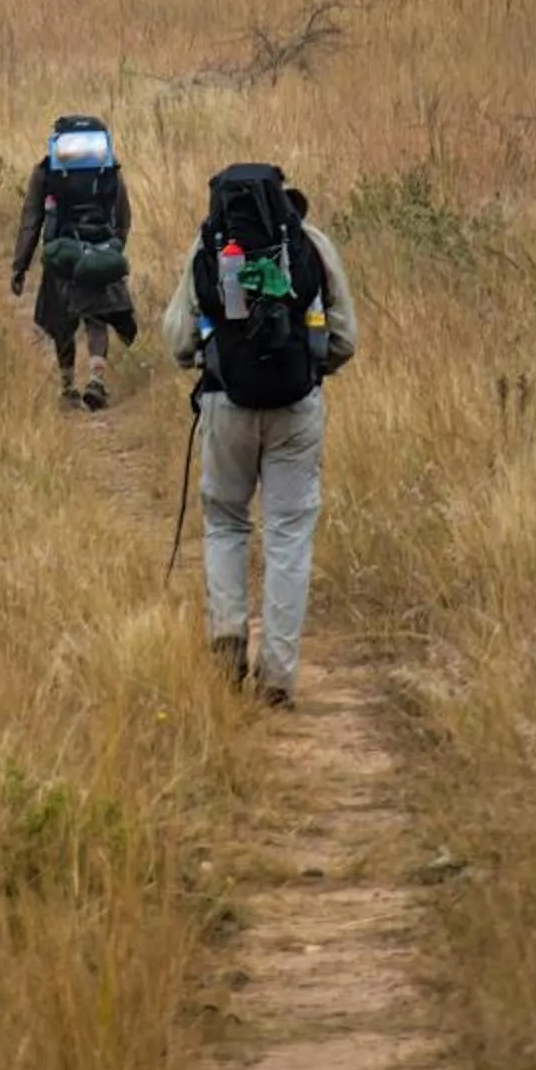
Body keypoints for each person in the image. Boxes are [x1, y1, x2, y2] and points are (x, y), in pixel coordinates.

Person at [161, 162, 358, 704]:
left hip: (225, 403)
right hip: (297, 406)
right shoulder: (310, 245)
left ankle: (227, 632)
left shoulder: (210, 247)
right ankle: (276, 677)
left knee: (226, 521)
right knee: (288, 535)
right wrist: (308, 369)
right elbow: (345, 338)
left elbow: (179, 340)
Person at [11, 114, 138, 410]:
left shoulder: (46, 171)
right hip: (100, 246)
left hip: (61, 252)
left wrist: (20, 265)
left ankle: (68, 387)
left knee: (61, 320)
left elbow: (31, 220)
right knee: (97, 317)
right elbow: (123, 215)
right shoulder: (109, 168)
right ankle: (96, 379)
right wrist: (113, 249)